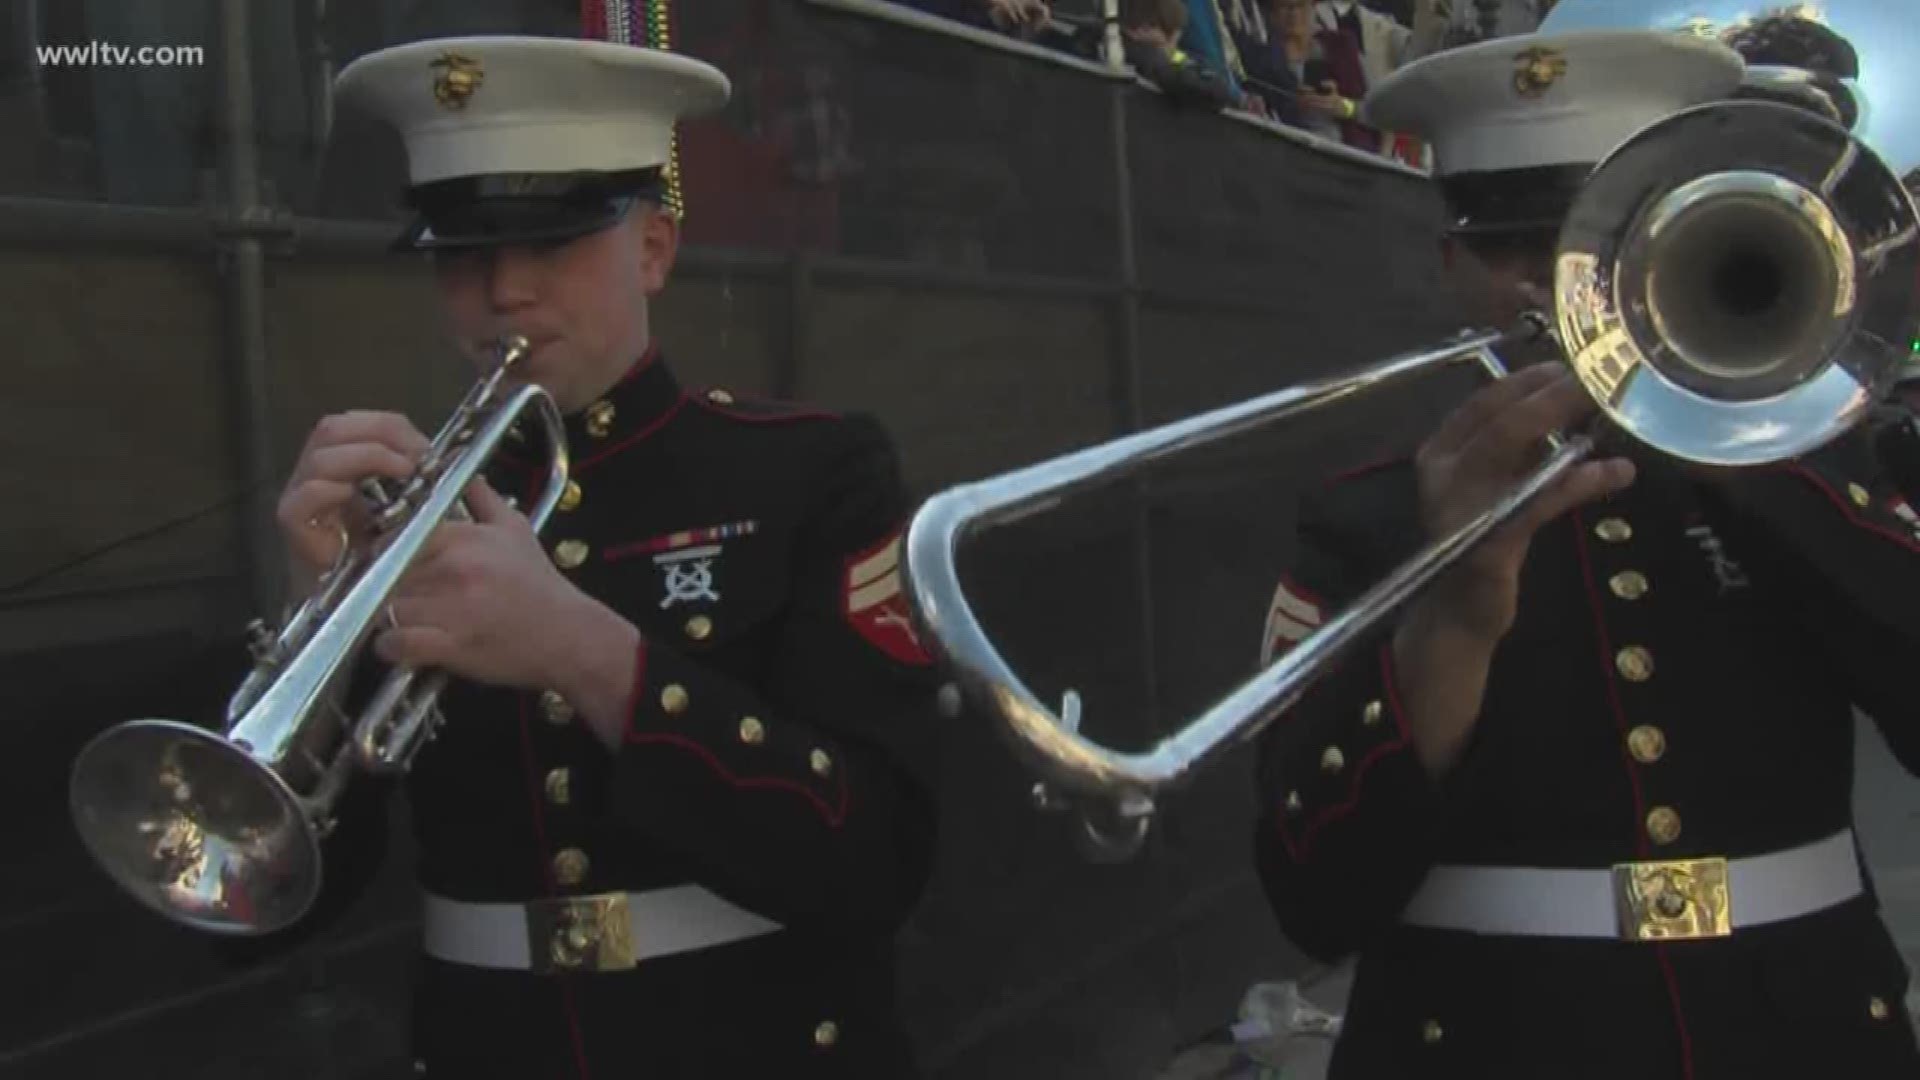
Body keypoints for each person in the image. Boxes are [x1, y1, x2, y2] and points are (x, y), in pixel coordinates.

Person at [250, 35, 944, 1078]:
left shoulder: (809, 469)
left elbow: (877, 853)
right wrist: (320, 632)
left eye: (555, 243)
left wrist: (592, 655)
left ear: (654, 249)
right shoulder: (399, 521)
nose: (504, 292)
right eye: (463, 254)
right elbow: (266, 905)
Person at [1249, 29, 1920, 1079]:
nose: (1555, 286)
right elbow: (1313, 893)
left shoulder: (1805, 481)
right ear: (1452, 268)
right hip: (1488, 1038)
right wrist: (1456, 616)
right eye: (1517, 246)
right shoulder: (1369, 515)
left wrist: (1747, 445)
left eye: (1591, 239)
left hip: (1804, 1028)